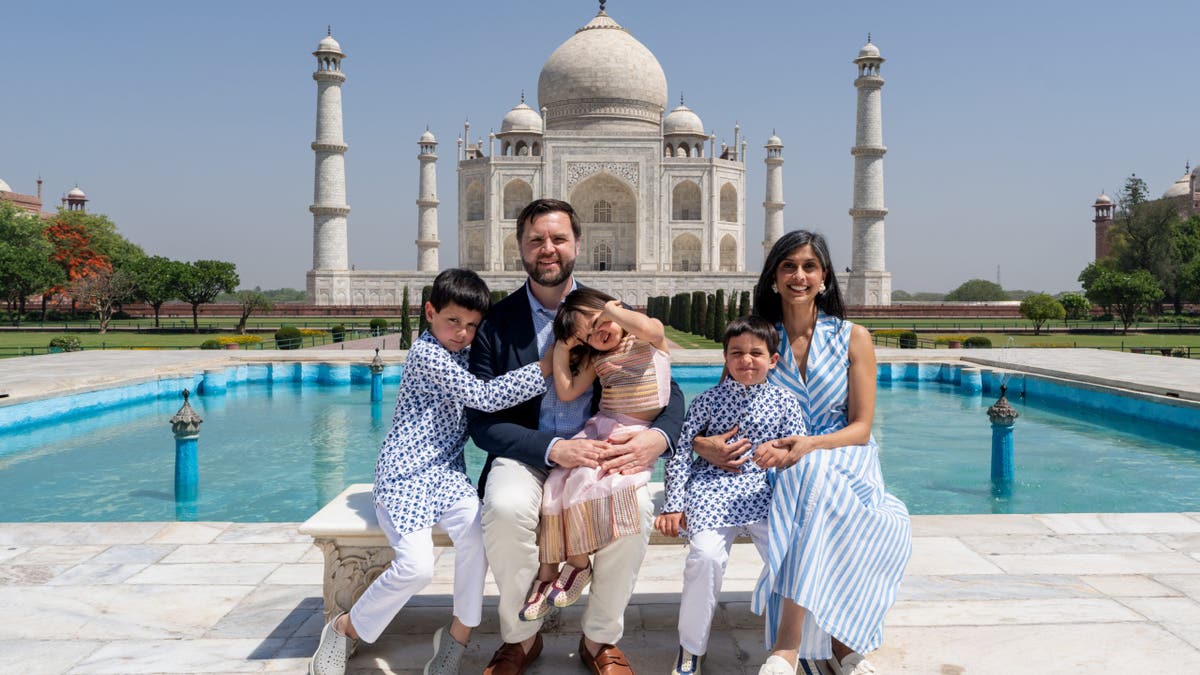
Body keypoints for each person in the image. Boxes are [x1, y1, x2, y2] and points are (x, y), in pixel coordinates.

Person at [467, 198, 686, 675]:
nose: (547, 248)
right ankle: (521, 640)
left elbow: (665, 385)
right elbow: (481, 421)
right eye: (536, 240)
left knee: (635, 510)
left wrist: (658, 438)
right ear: (520, 246)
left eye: (558, 238)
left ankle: (600, 639)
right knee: (504, 507)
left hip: (600, 449)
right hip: (528, 452)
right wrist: (554, 448)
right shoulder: (496, 323)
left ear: (577, 244)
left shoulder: (607, 312)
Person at [309, 268, 552, 675]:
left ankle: (457, 637)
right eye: (453, 320)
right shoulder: (428, 354)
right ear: (430, 313)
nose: (462, 333)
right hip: (404, 475)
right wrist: (544, 367)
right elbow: (483, 396)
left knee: (477, 537)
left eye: (472, 325)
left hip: (447, 475)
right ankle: (345, 628)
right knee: (416, 567)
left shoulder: (465, 353)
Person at [695, 230, 911, 675]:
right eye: (788, 266)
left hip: (844, 454)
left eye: (809, 267)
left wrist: (809, 444)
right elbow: (719, 413)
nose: (799, 276)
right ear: (774, 277)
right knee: (807, 480)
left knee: (812, 476)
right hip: (774, 461)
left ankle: (788, 645)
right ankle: (838, 642)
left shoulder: (852, 337)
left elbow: (861, 427)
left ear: (824, 276)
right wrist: (703, 444)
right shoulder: (759, 340)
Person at [656, 315, 807, 675]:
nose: (746, 360)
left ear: (773, 360)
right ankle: (691, 648)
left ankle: (802, 644)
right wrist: (674, 504)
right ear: (725, 358)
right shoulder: (708, 401)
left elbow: (799, 451)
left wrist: (780, 456)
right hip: (713, 491)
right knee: (705, 557)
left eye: (756, 353)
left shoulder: (785, 402)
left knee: (795, 556)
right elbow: (680, 452)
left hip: (767, 493)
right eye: (737, 353)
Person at [519, 288, 671, 622]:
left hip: (630, 434)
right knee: (555, 484)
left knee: (584, 480)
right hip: (603, 426)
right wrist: (562, 349)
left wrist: (614, 312)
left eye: (599, 322)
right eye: (588, 335)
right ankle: (547, 571)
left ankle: (577, 563)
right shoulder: (596, 357)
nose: (598, 333)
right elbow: (567, 391)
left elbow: (650, 328)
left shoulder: (647, 339)